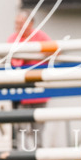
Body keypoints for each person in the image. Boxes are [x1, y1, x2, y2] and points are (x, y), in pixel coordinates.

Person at [7, 9, 52, 148]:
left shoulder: (41, 36)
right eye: (16, 23)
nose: (17, 26)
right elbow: (13, 61)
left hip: (39, 90)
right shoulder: (12, 39)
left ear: (30, 23)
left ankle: (39, 150)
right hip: (21, 90)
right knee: (21, 124)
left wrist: (33, 56)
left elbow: (54, 50)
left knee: (39, 125)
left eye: (20, 23)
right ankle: (23, 151)